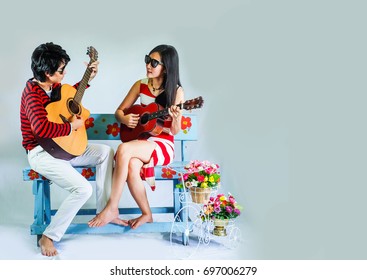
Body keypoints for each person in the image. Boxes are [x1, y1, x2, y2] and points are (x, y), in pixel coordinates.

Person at [20, 42, 114, 257]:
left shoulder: (51, 86)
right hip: (41, 153)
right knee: (82, 189)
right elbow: (42, 128)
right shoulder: (32, 94)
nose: (64, 73)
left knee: (105, 152)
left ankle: (104, 210)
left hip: (64, 148)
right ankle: (49, 236)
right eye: (61, 70)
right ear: (47, 72)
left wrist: (88, 78)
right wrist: (73, 126)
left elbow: (70, 95)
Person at [88, 44, 184, 229]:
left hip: (162, 144)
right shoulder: (140, 84)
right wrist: (124, 118)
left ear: (166, 67)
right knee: (132, 164)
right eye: (147, 59)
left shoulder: (176, 91)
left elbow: (174, 131)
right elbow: (119, 111)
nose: (148, 65)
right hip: (143, 140)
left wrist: (177, 118)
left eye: (154, 62)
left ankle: (112, 207)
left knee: (123, 149)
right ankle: (147, 214)